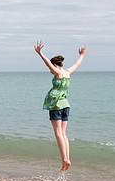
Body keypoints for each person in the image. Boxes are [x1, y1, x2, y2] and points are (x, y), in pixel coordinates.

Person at [34, 41, 87, 171]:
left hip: (56, 105)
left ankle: (64, 159)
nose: (50, 71)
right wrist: (82, 54)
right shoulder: (68, 73)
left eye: (51, 68)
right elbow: (77, 63)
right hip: (66, 105)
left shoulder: (58, 73)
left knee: (58, 133)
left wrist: (40, 53)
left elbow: (47, 63)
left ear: (55, 65)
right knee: (63, 133)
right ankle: (67, 158)